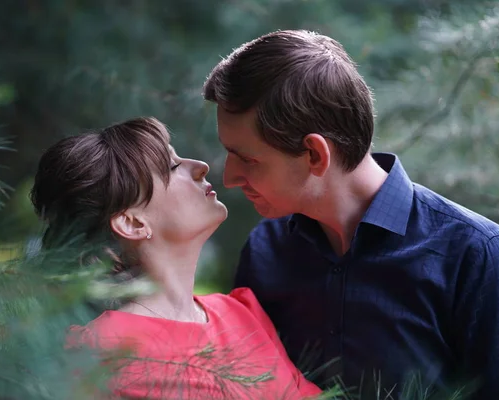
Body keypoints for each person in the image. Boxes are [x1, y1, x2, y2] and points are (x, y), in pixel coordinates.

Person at [202, 29, 499, 399]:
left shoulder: (478, 256)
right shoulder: (266, 249)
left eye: (247, 159)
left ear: (315, 155)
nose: (230, 178)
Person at [30, 117, 322, 399]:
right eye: (172, 167)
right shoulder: (99, 351)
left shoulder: (242, 314)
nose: (201, 167)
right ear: (133, 223)